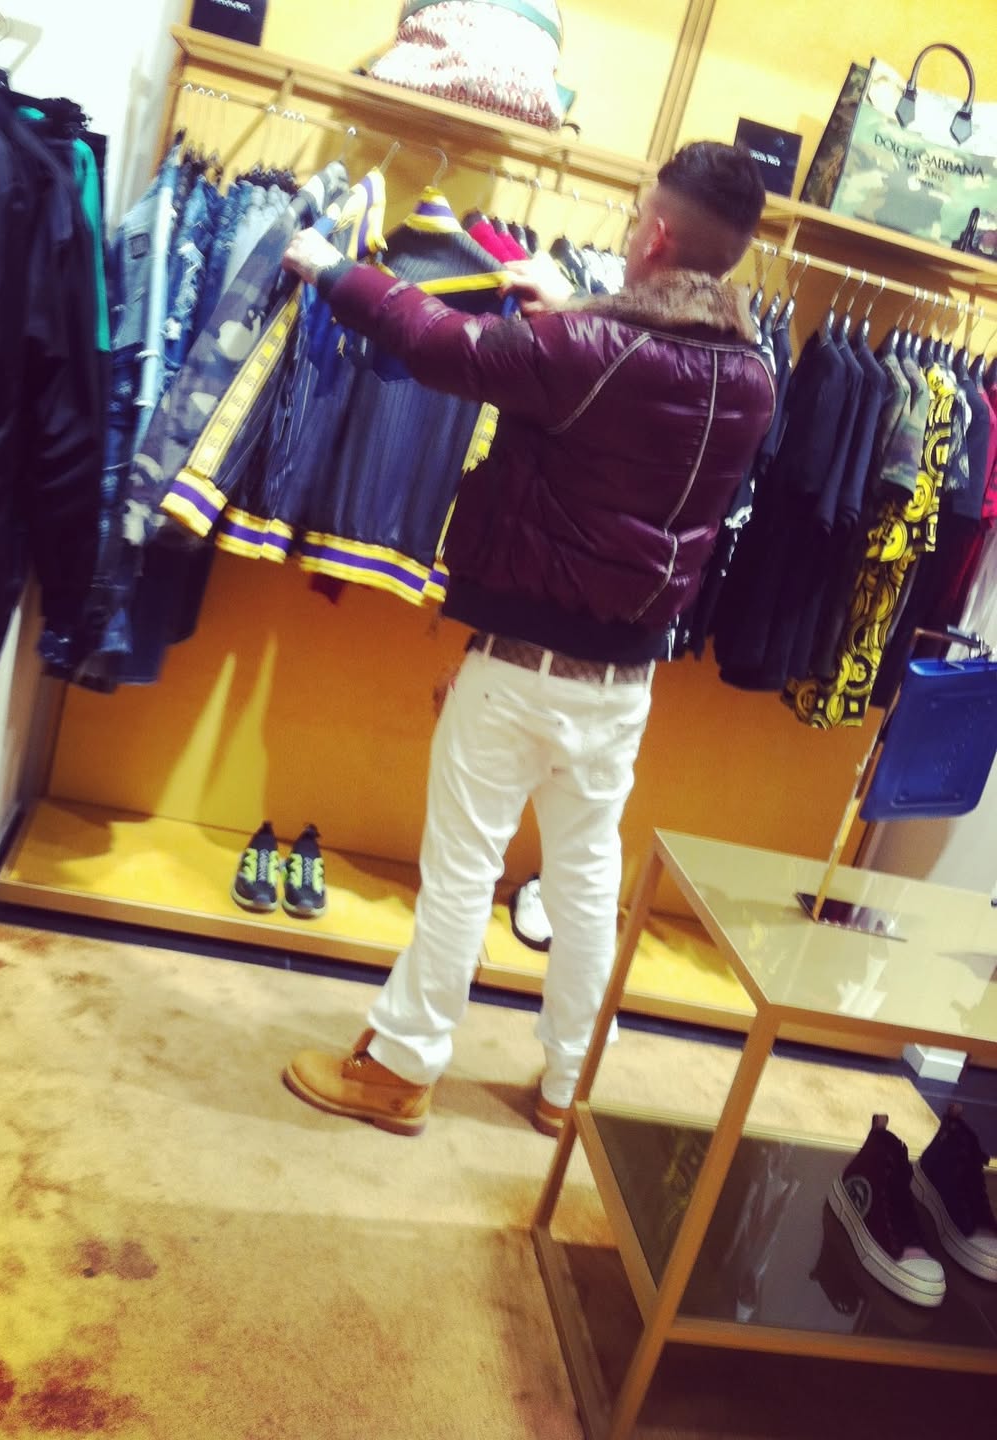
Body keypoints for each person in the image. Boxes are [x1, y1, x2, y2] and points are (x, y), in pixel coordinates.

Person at [279, 141, 775, 1137]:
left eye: (636, 218)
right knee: (586, 881)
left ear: (655, 236)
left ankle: (401, 1067)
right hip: (624, 683)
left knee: (463, 868)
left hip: (521, 671)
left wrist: (332, 269)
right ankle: (568, 1086)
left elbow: (438, 342)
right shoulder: (754, 373)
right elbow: (630, 394)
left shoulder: (588, 352)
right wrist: (573, 306)